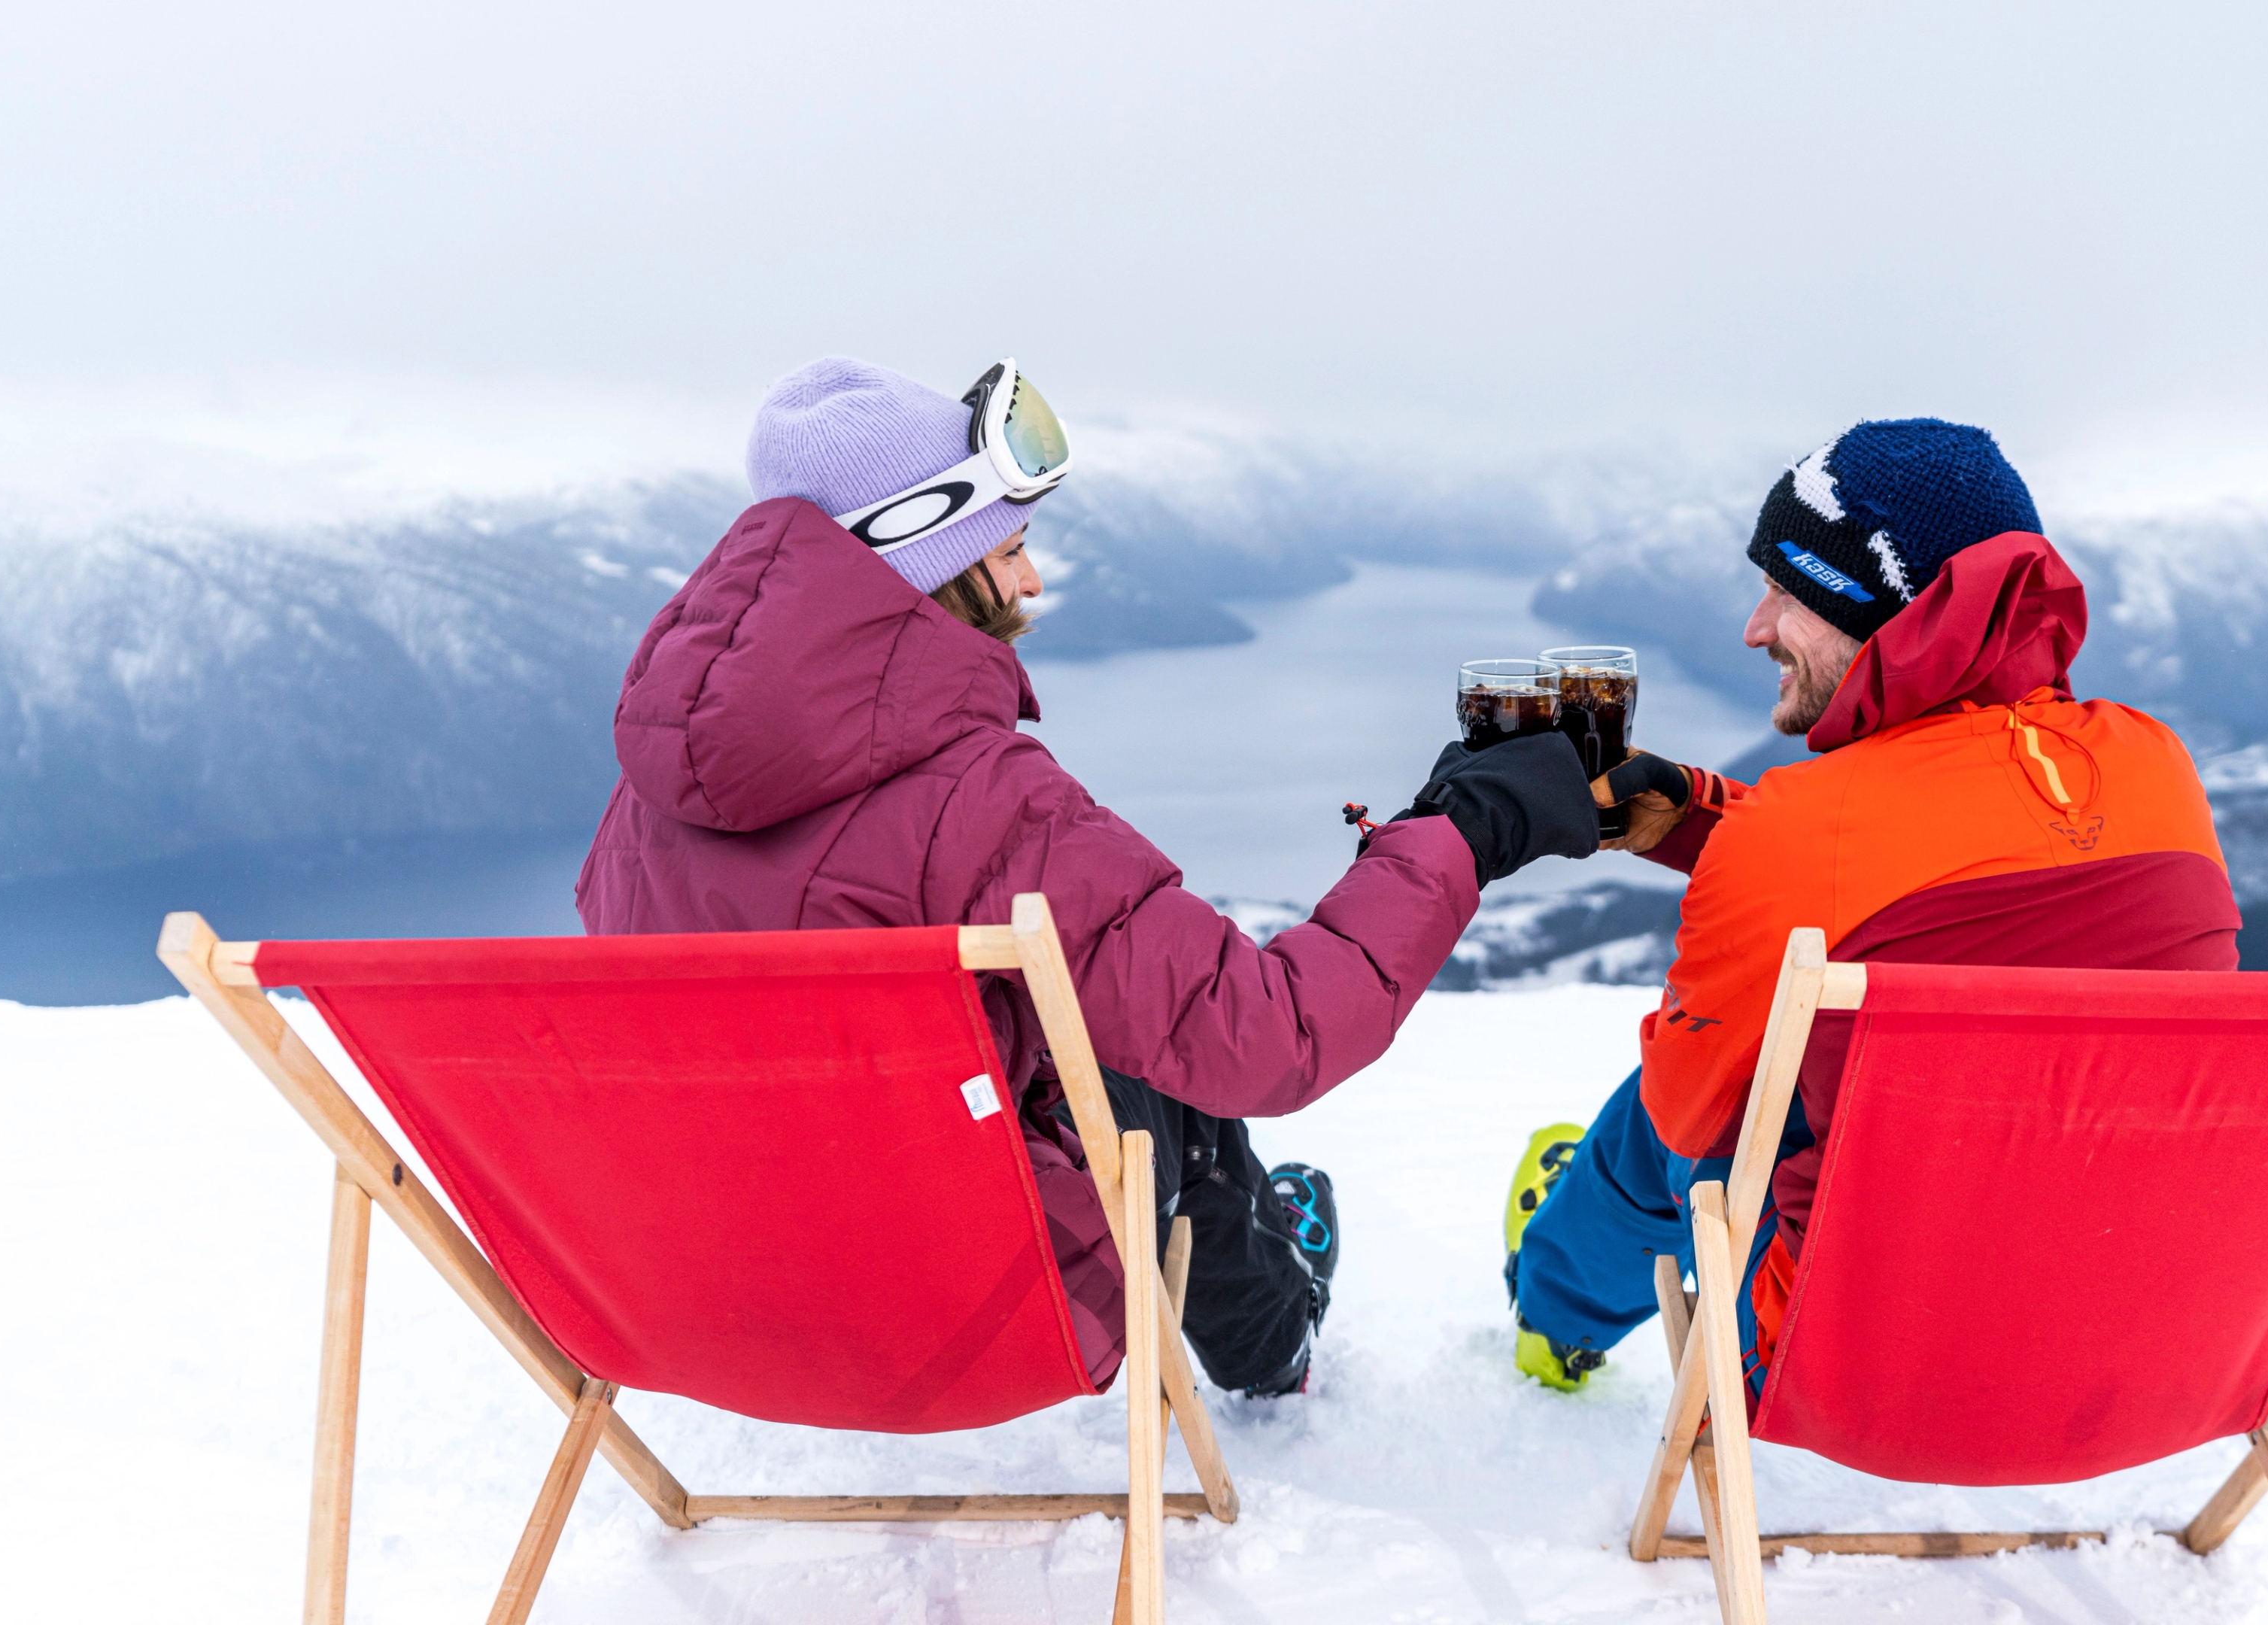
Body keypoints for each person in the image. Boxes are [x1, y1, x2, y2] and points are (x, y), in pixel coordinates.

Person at [578, 356, 1600, 1397]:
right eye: (1012, 548)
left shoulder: (640, 802)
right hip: (955, 1303)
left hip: (709, 1291)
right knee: (1155, 1052)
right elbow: (1270, 1034)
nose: (1030, 581)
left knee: (1082, 1027)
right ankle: (1274, 1339)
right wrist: (1464, 828)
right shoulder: (978, 799)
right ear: (922, 556)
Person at [1499, 418, 2242, 1393]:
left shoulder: (1803, 833)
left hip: (1843, 1365)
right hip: (2126, 1337)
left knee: (1662, 1111)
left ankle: (1553, 1309)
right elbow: (1939, 856)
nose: (1755, 628)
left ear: (1878, 605)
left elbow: (1690, 1116)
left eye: (1785, 591)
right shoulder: (2155, 769)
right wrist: (1699, 821)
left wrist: (1751, 858)